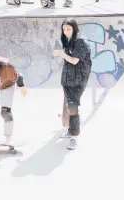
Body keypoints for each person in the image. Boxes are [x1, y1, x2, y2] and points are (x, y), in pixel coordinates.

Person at [52, 18, 92, 150]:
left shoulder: (81, 42)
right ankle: (71, 129)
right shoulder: (68, 41)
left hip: (78, 80)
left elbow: (74, 61)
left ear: (75, 28)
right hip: (67, 79)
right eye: (64, 29)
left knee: (72, 106)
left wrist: (62, 54)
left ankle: (74, 138)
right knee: (70, 107)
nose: (66, 32)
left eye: (68, 29)